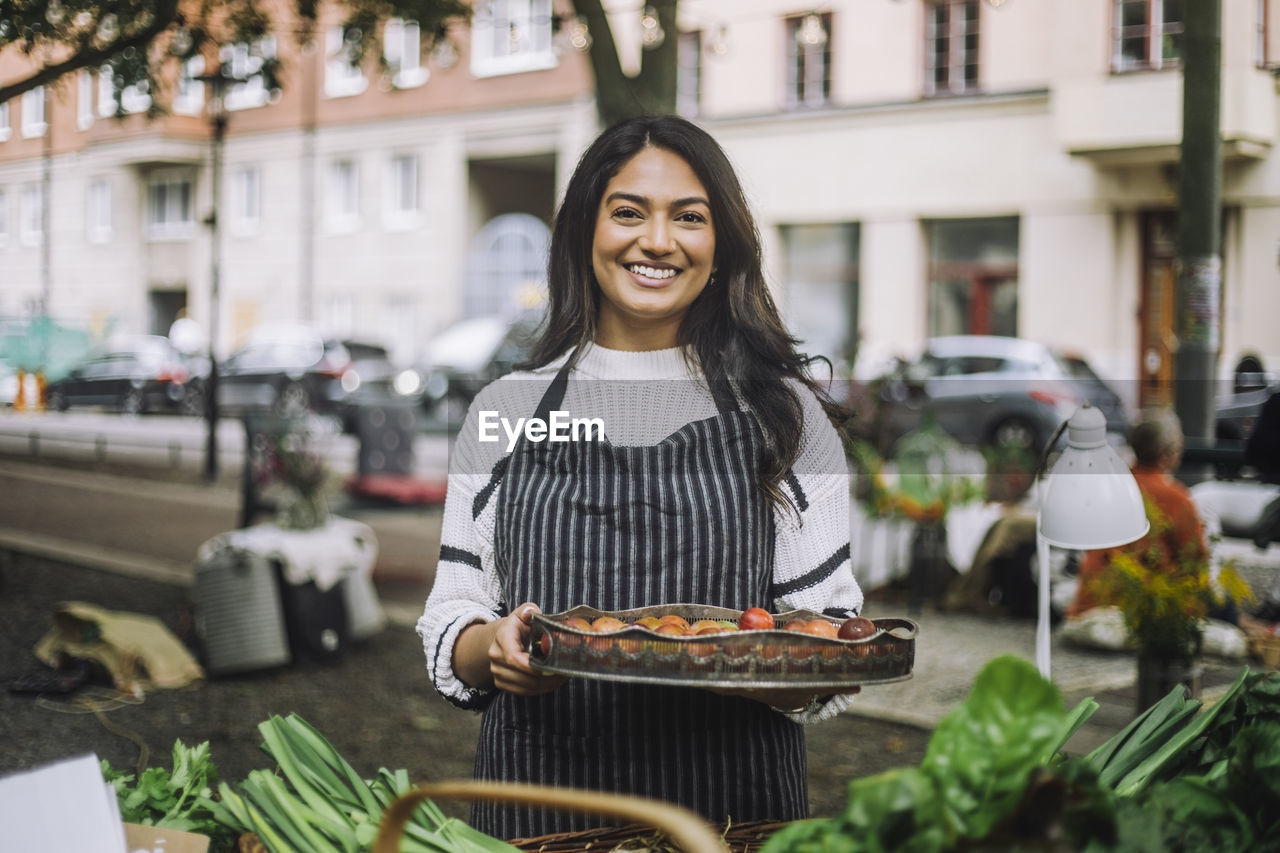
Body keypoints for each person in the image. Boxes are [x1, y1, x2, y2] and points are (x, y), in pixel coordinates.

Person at [416, 115, 864, 839]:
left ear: (721, 246)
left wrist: (806, 671)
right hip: (540, 815)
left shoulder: (785, 417)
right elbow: (453, 613)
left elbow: (824, 627)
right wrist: (493, 647)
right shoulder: (507, 411)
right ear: (583, 232)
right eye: (628, 211)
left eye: (689, 217)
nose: (657, 240)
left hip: (730, 821)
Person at [1067, 408, 1210, 619]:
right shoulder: (1176, 498)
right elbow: (1196, 565)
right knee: (1221, 605)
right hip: (1144, 610)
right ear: (1167, 454)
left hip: (1089, 605)